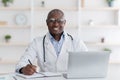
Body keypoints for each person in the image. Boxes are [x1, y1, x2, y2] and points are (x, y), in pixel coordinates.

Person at [16, 9, 88, 75]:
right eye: (51, 20)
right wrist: (23, 69)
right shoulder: (37, 42)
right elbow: (21, 63)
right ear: (47, 23)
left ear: (64, 22)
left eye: (59, 21)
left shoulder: (76, 42)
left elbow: (88, 62)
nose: (56, 24)